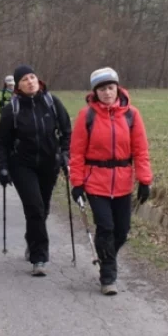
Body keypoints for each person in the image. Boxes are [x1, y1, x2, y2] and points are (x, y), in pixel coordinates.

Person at [69, 68, 152, 296]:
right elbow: (76, 153)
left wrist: (145, 180)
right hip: (96, 181)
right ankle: (108, 274)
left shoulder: (131, 115)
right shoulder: (87, 116)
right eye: (102, 89)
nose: (107, 93)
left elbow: (140, 150)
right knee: (105, 227)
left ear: (118, 88)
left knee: (122, 230)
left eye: (110, 88)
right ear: (95, 92)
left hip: (123, 182)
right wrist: (77, 183)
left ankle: (107, 257)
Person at [0, 65, 71, 276]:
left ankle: (32, 239)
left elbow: (66, 131)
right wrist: (2, 168)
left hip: (49, 164)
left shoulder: (52, 103)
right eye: (25, 79)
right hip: (22, 166)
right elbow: (1, 142)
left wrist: (65, 153)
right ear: (17, 86)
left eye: (32, 77)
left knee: (42, 208)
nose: (30, 81)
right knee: (35, 208)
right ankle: (39, 257)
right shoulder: (12, 109)